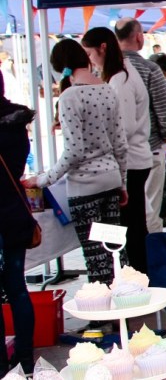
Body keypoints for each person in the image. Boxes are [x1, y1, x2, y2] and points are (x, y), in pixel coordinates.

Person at [22, 39, 128, 286]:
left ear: (62, 67)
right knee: (113, 247)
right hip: (110, 180)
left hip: (85, 186)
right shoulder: (107, 90)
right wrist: (122, 182)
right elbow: (120, 144)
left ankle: (102, 309)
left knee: (94, 254)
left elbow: (73, 152)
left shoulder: (70, 97)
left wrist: (42, 179)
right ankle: (125, 298)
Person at [82, 27, 152, 271]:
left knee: (131, 226)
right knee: (132, 225)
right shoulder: (120, 76)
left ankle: (139, 275)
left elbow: (125, 127)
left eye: (89, 53)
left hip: (131, 161)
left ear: (102, 48)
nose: (89, 60)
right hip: (133, 159)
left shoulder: (121, 79)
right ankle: (138, 274)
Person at [116, 18, 166, 236]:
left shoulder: (105, 72)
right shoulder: (150, 69)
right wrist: (161, 139)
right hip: (148, 151)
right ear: (139, 36)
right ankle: (152, 261)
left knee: (124, 216)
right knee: (149, 212)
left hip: (115, 159)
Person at [0, 75, 36, 373]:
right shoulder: (15, 124)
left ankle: (2, 363)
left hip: (4, 213)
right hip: (14, 211)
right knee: (17, 288)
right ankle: (24, 356)